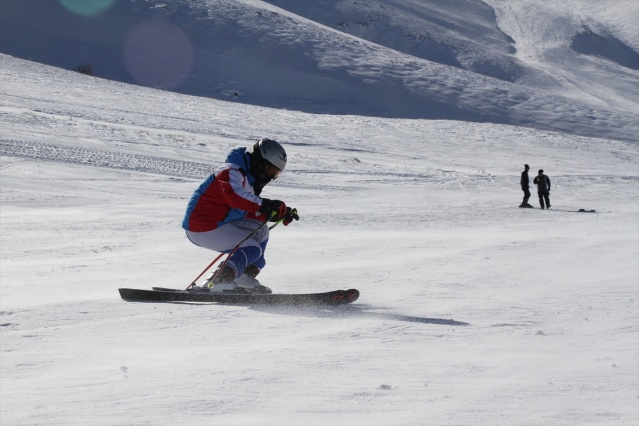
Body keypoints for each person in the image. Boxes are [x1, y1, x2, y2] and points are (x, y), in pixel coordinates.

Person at [182, 138, 299, 293]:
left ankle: (243, 277)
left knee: (261, 230)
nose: (270, 176)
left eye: (275, 173)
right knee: (252, 249)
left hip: (220, 223)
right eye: (270, 170)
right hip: (201, 226)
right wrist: (266, 205)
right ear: (260, 162)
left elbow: (247, 209)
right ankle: (218, 280)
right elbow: (235, 197)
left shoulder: (249, 180)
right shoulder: (231, 171)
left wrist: (274, 214)